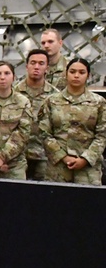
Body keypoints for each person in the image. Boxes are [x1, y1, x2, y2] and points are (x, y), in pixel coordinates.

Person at [38, 57, 106, 185]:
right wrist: (63, 156)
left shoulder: (99, 103)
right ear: (66, 73)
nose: (76, 76)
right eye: (72, 71)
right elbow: (44, 132)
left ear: (88, 76)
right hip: (58, 168)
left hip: (88, 170)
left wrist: (86, 158)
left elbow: (102, 135)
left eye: (81, 72)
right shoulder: (51, 101)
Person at [15, 49, 57, 181]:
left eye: (41, 63)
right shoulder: (14, 92)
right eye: (33, 63)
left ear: (47, 68)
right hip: (17, 154)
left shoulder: (55, 96)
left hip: (44, 155)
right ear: (27, 66)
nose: (36, 67)